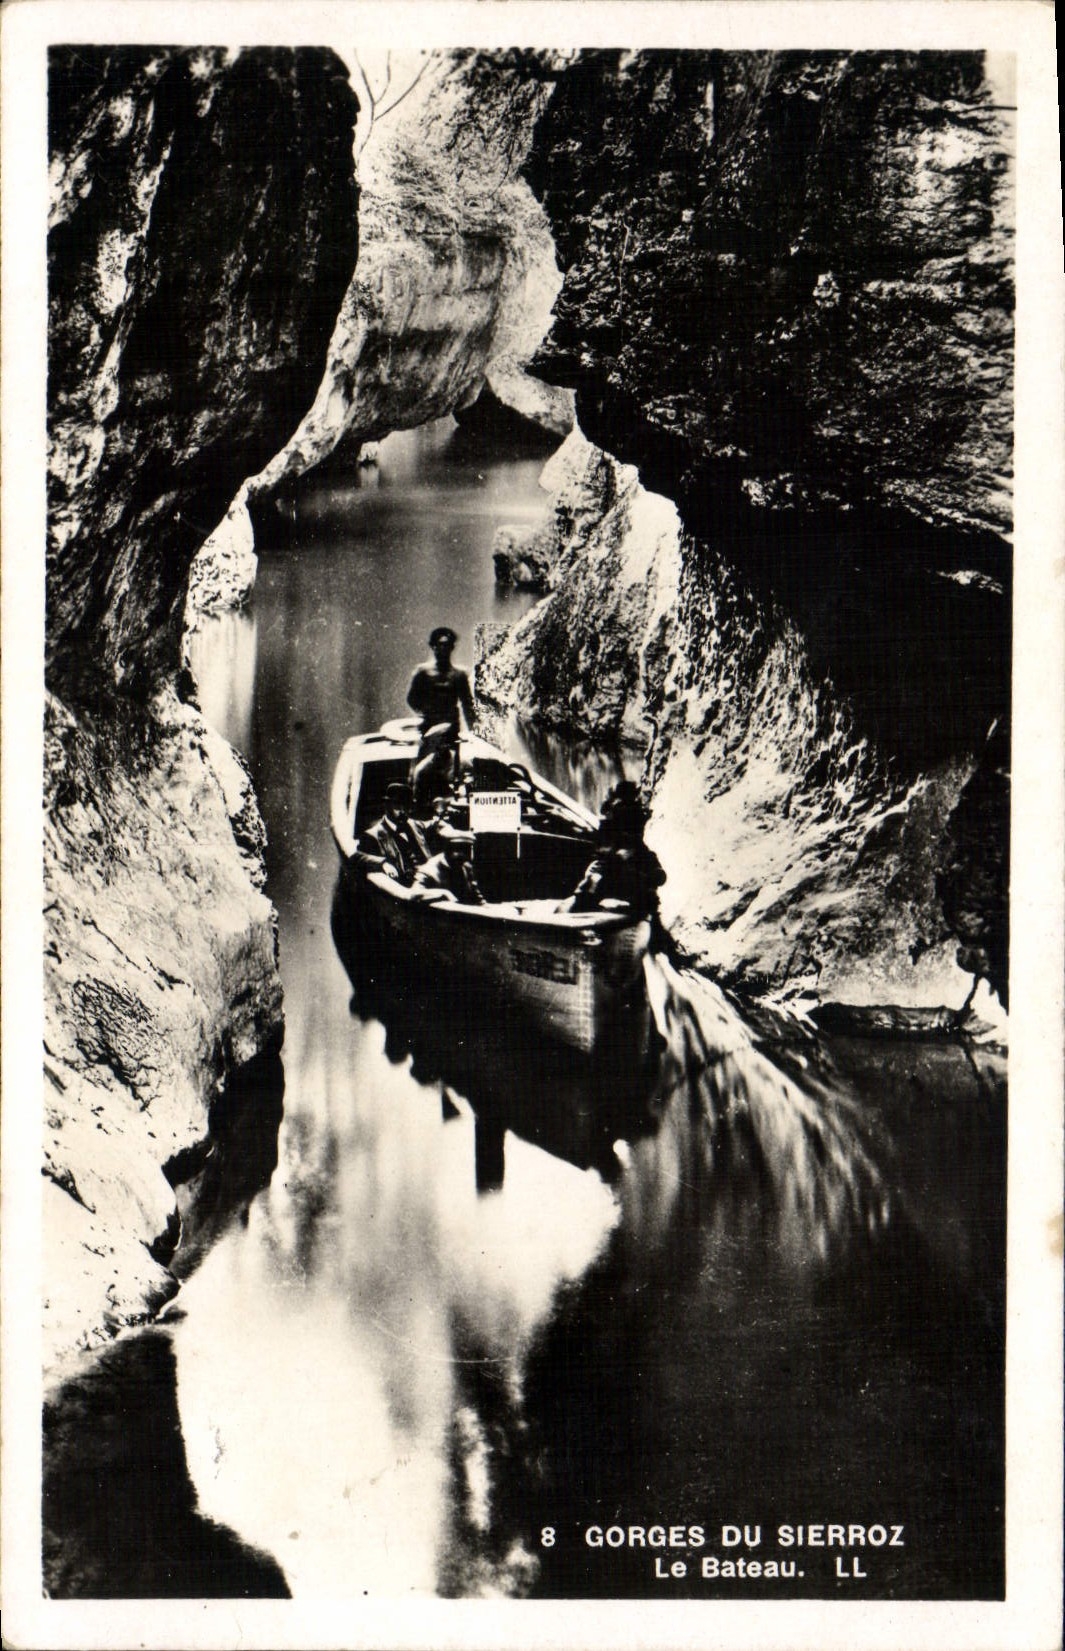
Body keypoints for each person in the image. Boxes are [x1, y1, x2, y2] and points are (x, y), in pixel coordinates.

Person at [355, 782, 430, 886]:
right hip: (404, 888)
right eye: (397, 806)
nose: (403, 811)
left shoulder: (416, 825)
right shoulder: (372, 835)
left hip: (429, 880)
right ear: (387, 805)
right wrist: (383, 863)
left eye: (406, 806)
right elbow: (357, 857)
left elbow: (434, 824)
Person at [413, 825, 487, 905]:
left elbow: (477, 898)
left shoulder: (466, 867)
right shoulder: (429, 870)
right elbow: (414, 894)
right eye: (459, 849)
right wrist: (443, 893)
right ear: (447, 849)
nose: (464, 855)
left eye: (467, 851)